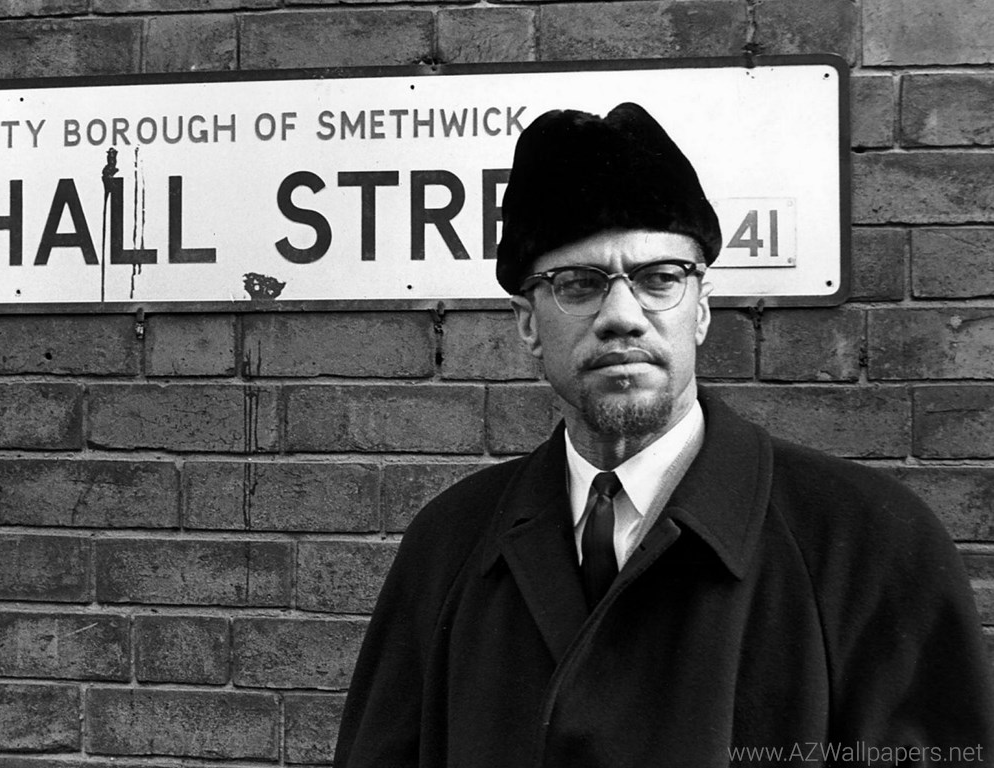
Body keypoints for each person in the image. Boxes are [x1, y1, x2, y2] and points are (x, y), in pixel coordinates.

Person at [334, 103, 993, 767]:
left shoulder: (867, 545)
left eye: (659, 279)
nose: (622, 316)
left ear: (700, 309)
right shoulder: (449, 546)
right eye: (579, 285)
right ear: (528, 324)